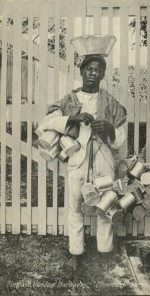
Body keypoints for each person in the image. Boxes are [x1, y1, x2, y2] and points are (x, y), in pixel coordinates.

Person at [39, 53, 127, 270]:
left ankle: (104, 252)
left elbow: (121, 138)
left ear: (103, 74)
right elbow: (46, 122)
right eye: (89, 69)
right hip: (77, 159)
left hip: (103, 159)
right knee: (75, 205)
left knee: (105, 205)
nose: (93, 73)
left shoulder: (109, 101)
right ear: (82, 72)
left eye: (98, 70)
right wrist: (72, 118)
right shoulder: (70, 99)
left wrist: (109, 129)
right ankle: (76, 252)